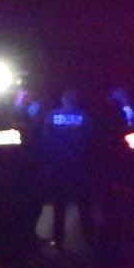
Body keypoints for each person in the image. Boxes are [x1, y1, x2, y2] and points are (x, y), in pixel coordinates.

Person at [37, 88, 94, 250]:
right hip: (79, 164)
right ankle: (89, 238)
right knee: (84, 203)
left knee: (59, 205)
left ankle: (58, 241)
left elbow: (45, 140)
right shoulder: (83, 116)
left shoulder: (52, 116)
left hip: (58, 165)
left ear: (63, 100)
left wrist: (47, 162)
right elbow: (90, 139)